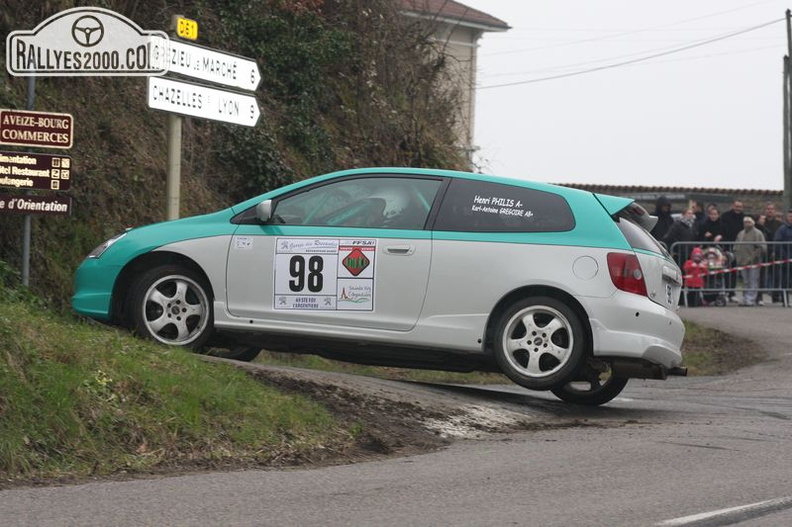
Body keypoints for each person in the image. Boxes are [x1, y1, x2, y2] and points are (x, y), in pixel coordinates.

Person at [734, 216, 766, 306]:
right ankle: (745, 297)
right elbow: (736, 246)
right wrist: (737, 256)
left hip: (754, 261)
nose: (747, 224)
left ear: (753, 223)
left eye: (748, 222)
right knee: (745, 281)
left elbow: (762, 247)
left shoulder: (757, 233)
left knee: (753, 280)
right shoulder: (741, 233)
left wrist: (755, 256)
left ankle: (751, 299)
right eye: (745, 222)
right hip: (742, 261)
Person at [719, 200, 745, 302]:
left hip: (739, 247)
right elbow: (722, 230)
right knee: (725, 271)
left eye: (740, 207)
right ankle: (725, 292)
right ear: (732, 206)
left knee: (734, 271)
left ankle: (732, 292)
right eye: (736, 206)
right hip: (727, 247)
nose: (738, 209)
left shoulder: (744, 217)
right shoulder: (725, 216)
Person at [773, 209, 792, 303]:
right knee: (786, 280)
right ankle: (785, 300)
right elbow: (778, 243)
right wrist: (785, 256)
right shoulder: (782, 229)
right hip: (786, 260)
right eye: (790, 216)